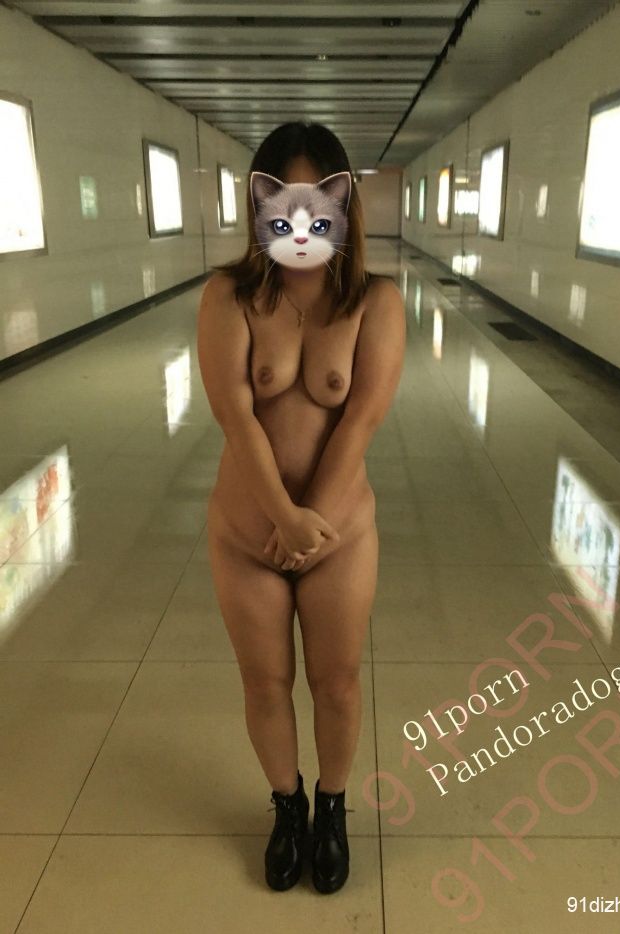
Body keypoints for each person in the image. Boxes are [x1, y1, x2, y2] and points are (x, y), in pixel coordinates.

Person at [196, 121, 405, 894]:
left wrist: (310, 522)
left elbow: (363, 418)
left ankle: (333, 807)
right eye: (284, 203)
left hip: (340, 535)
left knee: (338, 682)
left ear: (345, 207)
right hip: (247, 534)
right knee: (265, 683)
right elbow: (235, 416)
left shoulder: (377, 301)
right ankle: (287, 809)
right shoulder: (230, 296)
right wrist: (282, 518)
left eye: (321, 202)